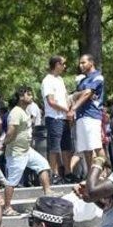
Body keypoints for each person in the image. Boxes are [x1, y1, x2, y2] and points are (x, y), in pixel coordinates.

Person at [0, 86, 54, 217]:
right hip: (16, 152)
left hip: (27, 150)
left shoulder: (24, 111)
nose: (31, 96)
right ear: (20, 97)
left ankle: (48, 193)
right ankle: (7, 208)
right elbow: (11, 131)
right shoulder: (16, 112)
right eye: (28, 94)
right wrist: (3, 144)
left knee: (43, 165)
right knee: (12, 181)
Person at [43, 55, 76, 183]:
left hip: (64, 118)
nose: (64, 66)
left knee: (66, 146)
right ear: (57, 64)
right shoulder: (48, 80)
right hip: (54, 118)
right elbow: (51, 101)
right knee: (54, 147)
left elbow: (66, 97)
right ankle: (54, 174)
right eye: (63, 64)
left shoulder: (60, 80)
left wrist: (70, 109)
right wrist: (65, 110)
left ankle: (68, 173)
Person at [69, 54, 106, 167]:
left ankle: (103, 172)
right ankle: (91, 175)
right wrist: (81, 93)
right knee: (85, 148)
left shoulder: (98, 77)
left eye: (83, 62)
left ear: (91, 62)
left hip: (92, 115)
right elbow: (77, 95)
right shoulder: (82, 80)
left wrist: (73, 108)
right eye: (80, 63)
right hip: (81, 116)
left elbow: (87, 93)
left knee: (96, 146)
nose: (81, 65)